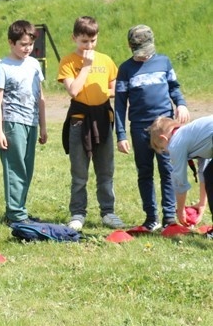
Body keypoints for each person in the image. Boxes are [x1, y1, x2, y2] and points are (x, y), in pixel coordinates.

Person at [115, 25, 190, 231]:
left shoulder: (164, 62)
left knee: (168, 170)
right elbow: (120, 104)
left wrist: (181, 103)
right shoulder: (125, 69)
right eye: (140, 53)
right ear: (131, 47)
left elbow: (174, 87)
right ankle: (151, 218)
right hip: (140, 128)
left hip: (165, 128)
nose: (145, 57)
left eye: (147, 52)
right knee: (145, 171)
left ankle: (169, 217)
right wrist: (121, 134)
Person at [58, 16, 123, 231]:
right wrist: (85, 67)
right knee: (80, 173)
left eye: (93, 41)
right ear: (74, 38)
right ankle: (78, 213)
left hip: (103, 118)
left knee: (106, 170)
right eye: (84, 41)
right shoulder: (68, 61)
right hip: (79, 121)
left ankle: (108, 212)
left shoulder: (106, 60)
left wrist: (105, 92)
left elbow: (116, 88)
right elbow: (73, 90)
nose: (89, 45)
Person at [0, 20, 47, 225]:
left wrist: (43, 125)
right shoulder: (2, 67)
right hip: (13, 123)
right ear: (11, 42)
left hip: (31, 122)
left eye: (30, 44)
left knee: (27, 168)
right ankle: (15, 214)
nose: (27, 49)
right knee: (15, 168)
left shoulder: (34, 64)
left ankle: (20, 209)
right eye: (23, 44)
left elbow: (40, 96)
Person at [148, 116, 213, 232]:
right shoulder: (191, 133)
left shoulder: (175, 143)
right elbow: (204, 172)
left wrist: (181, 210)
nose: (167, 152)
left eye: (163, 149)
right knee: (210, 174)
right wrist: (202, 204)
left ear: (163, 138)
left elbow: (180, 183)